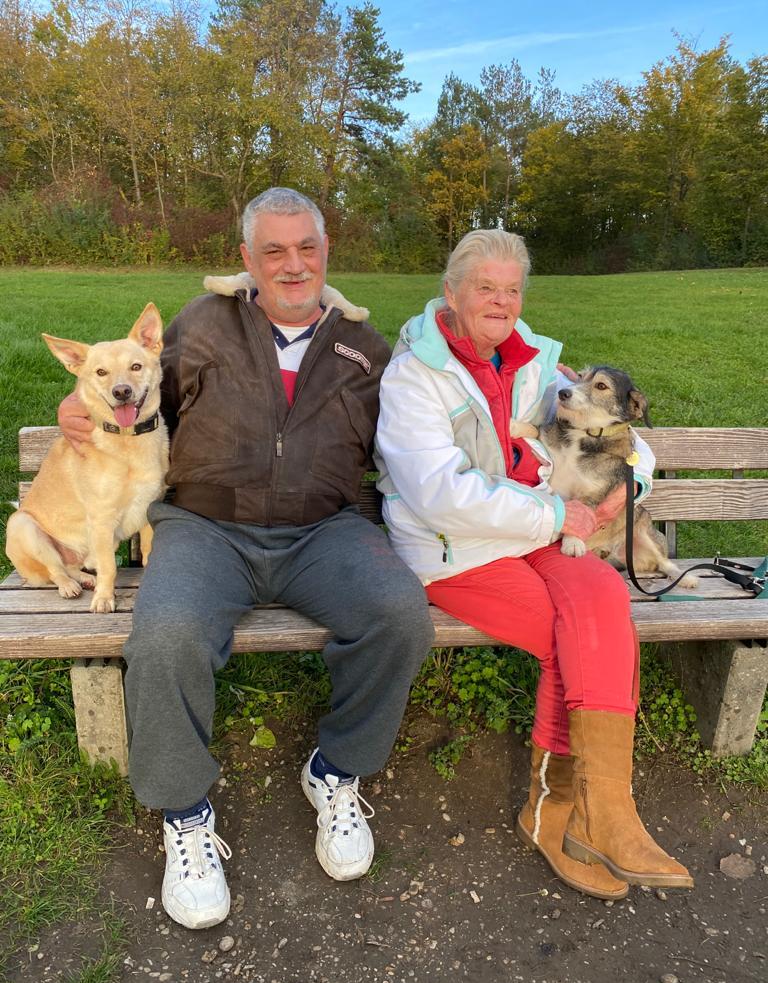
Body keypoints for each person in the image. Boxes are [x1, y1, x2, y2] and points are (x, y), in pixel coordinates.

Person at [58, 187, 435, 929]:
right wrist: (82, 408)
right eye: (274, 250)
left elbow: (426, 423)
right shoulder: (202, 323)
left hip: (323, 530)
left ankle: (336, 771)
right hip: (206, 527)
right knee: (165, 635)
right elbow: (129, 387)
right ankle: (184, 814)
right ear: (247, 258)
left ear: (326, 251)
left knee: (400, 614)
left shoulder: (366, 348)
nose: (293, 265)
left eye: (306, 248)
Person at [374, 228, 693, 901]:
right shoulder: (414, 375)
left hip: (535, 535)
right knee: (569, 636)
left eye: (512, 289)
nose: (500, 301)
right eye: (485, 287)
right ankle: (553, 817)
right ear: (451, 292)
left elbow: (624, 441)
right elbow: (438, 493)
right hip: (454, 549)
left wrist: (629, 486)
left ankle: (606, 813)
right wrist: (554, 516)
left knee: (603, 600)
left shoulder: (532, 362)